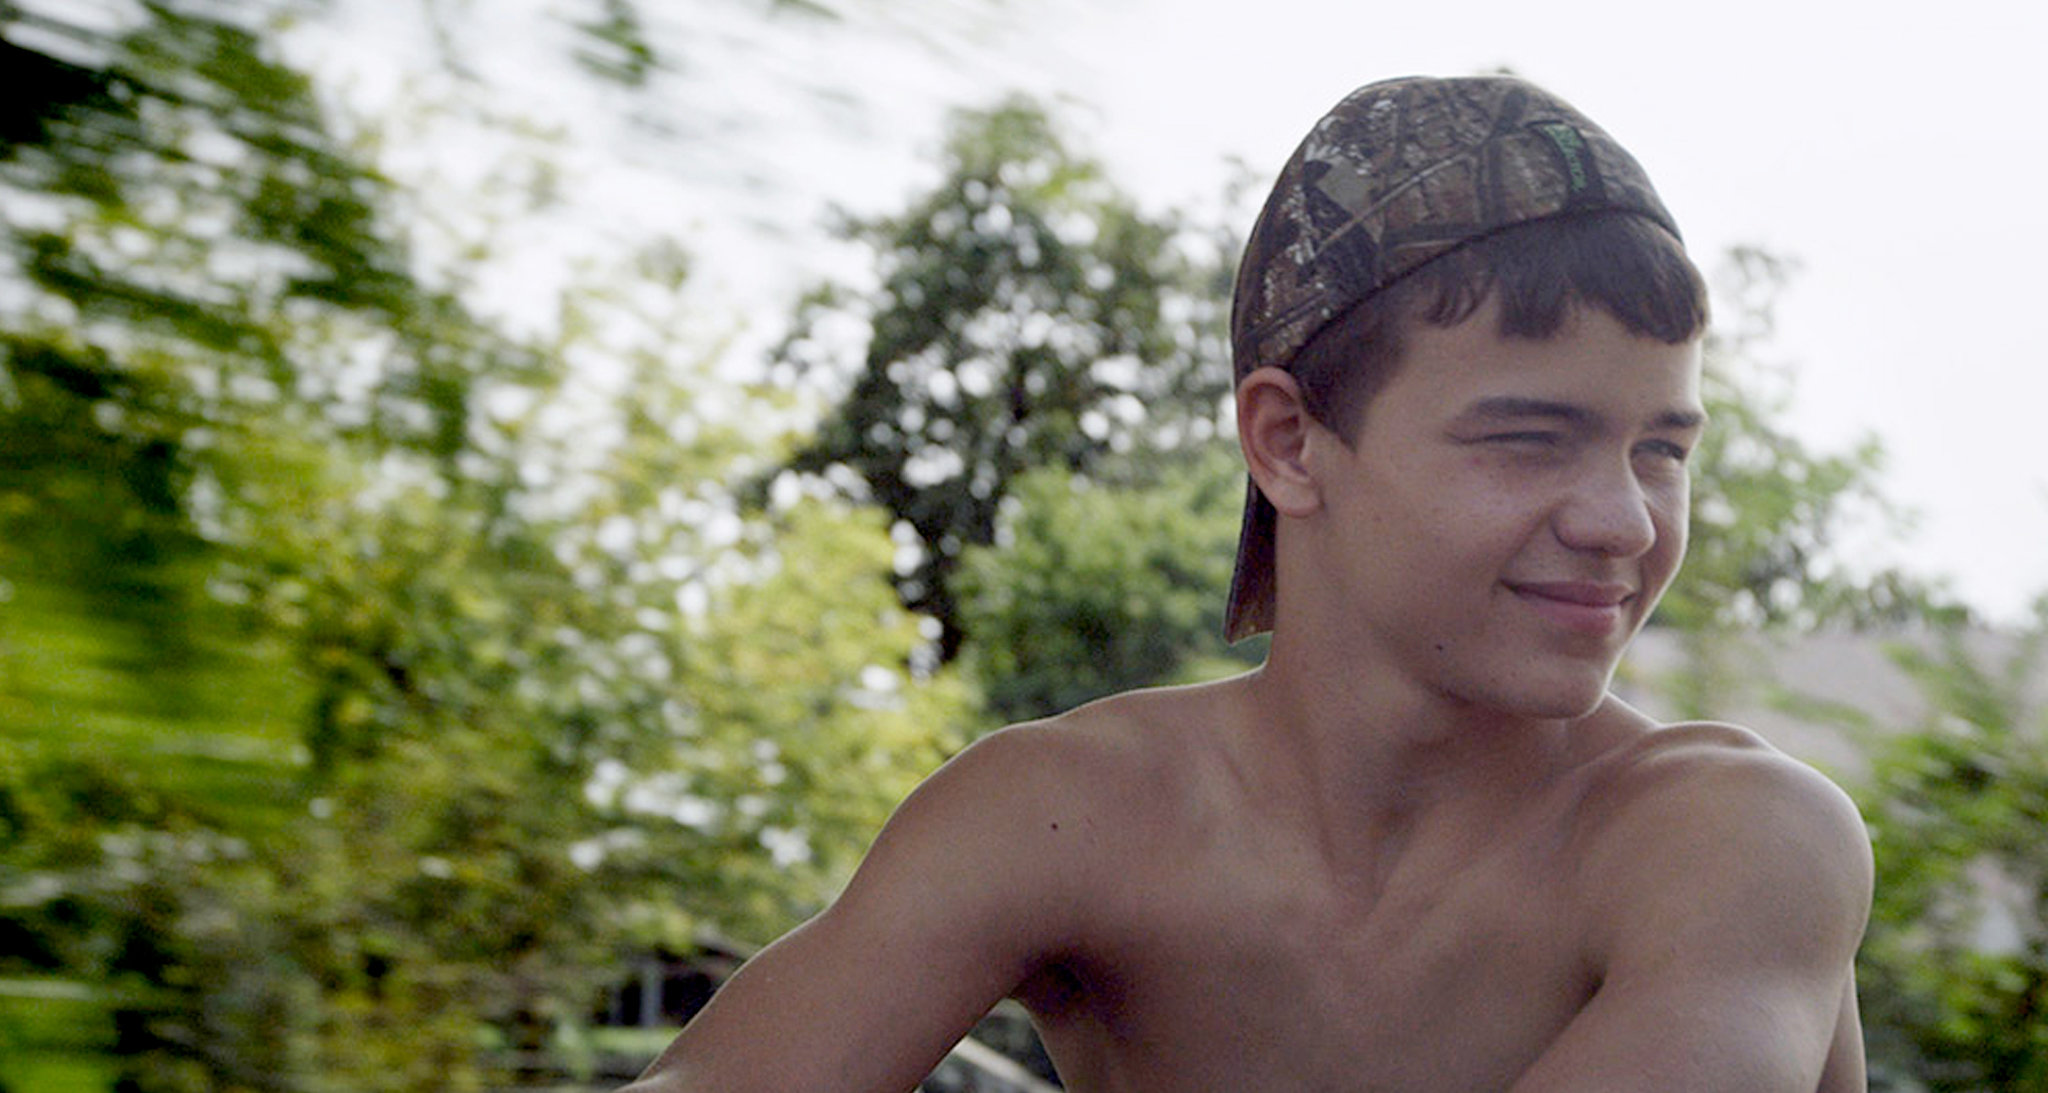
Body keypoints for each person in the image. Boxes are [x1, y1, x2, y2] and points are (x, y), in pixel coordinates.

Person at [624, 74, 1872, 1093]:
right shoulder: (1065, 815)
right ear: (1287, 441)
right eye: (1526, 438)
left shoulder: (1729, 840)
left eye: (1662, 449)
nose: (1620, 520)